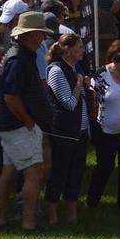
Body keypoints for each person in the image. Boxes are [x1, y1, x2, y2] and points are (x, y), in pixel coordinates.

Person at [0, 12, 53, 231]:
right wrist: (28, 122)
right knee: (35, 171)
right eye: (40, 34)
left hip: (12, 124)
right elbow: (10, 97)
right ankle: (29, 222)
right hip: (17, 126)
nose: (42, 39)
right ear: (30, 35)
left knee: (10, 171)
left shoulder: (20, 56)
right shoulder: (18, 60)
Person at [43, 33, 90, 227]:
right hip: (63, 131)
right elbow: (69, 103)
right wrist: (79, 84)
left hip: (80, 130)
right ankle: (52, 212)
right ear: (67, 50)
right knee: (59, 172)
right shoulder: (56, 71)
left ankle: (72, 212)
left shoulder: (74, 68)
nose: (83, 51)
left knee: (76, 172)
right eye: (79, 47)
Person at [87, 39, 120, 211]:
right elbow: (93, 102)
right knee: (104, 167)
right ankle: (92, 201)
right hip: (106, 131)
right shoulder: (101, 75)